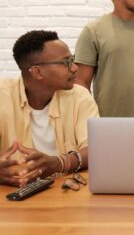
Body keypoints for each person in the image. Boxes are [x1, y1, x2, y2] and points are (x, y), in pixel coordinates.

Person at [0, 30, 99, 187]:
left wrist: (60, 163)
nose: (74, 68)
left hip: (67, 192)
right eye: (66, 62)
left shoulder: (80, 96)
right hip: (12, 196)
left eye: (72, 60)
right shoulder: (3, 96)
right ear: (37, 72)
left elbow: (96, 149)